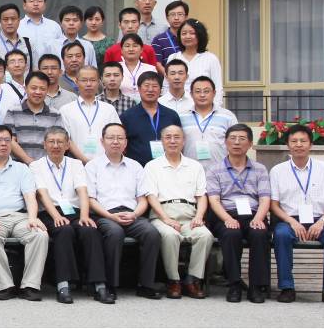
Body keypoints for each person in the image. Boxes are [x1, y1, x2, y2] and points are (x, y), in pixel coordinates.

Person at [269, 124, 324, 306]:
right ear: (288, 145)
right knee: (281, 235)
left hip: (319, 220)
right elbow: (274, 205)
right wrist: (291, 222)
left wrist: (322, 221)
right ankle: (287, 287)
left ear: (311, 144)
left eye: (303, 141)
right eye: (294, 141)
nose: (298, 145)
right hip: (288, 220)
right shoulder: (277, 170)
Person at [0, 124, 49, 300]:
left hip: (20, 217)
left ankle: (30, 286)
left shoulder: (22, 169)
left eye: (7, 140)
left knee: (39, 234)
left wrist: (33, 218)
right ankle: (5, 285)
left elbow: (30, 198)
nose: (4, 144)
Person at [85, 122, 163, 300]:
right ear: (102, 141)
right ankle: (110, 285)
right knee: (115, 233)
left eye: (120, 138)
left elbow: (142, 199)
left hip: (131, 214)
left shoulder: (135, 166)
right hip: (104, 214)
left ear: (126, 142)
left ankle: (146, 284)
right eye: (111, 138)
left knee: (152, 233)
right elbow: (90, 200)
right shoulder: (92, 166)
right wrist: (110, 216)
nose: (115, 141)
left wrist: (135, 214)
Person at [31, 127, 108, 304]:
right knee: (63, 230)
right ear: (44, 145)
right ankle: (63, 284)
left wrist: (85, 215)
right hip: (49, 212)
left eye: (60, 142)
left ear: (67, 145)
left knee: (90, 230)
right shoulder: (36, 166)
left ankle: (99, 285)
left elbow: (82, 191)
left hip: (74, 211)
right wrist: (56, 216)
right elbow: (42, 194)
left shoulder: (76, 164)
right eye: (51, 142)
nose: (56, 145)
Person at [144, 124, 214, 299]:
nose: (172, 141)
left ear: (184, 141)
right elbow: (151, 196)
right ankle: (173, 280)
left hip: (190, 215)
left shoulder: (195, 166)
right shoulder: (152, 166)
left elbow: (201, 196)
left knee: (205, 235)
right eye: (168, 137)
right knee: (170, 235)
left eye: (177, 137)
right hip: (162, 214)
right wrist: (166, 219)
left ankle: (192, 279)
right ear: (162, 141)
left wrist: (199, 216)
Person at [204, 124, 271, 303]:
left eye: (242, 139)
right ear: (225, 142)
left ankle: (256, 286)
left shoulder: (260, 169)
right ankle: (234, 284)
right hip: (226, 214)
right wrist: (227, 218)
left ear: (250, 144)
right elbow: (214, 200)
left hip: (253, 214)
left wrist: (259, 218)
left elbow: (265, 198)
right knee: (231, 234)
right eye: (232, 138)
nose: (237, 142)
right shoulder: (214, 169)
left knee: (259, 233)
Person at [60, 66, 120, 162]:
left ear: (99, 82)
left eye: (92, 80)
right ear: (76, 82)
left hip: (104, 163)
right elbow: (66, 139)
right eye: (84, 80)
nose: (88, 84)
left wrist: (103, 161)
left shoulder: (109, 109)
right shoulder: (66, 110)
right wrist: (85, 161)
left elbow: (117, 135)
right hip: (76, 164)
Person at [121, 72, 182, 165]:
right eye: (146, 86)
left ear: (161, 90)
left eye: (154, 86)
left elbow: (180, 142)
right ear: (139, 89)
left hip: (168, 167)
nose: (150, 89)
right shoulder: (127, 116)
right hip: (138, 169)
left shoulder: (171, 115)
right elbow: (122, 145)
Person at [1, 72, 62, 164]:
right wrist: (30, 161)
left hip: (46, 167)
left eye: (42, 89)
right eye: (34, 88)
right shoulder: (13, 111)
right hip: (17, 166)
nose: (38, 92)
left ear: (47, 90)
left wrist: (41, 165)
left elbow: (57, 142)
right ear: (25, 88)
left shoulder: (55, 114)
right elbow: (9, 140)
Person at [181, 76, 237, 165]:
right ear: (191, 94)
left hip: (220, 170)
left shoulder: (228, 116)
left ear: (214, 93)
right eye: (198, 91)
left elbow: (235, 143)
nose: (202, 95)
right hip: (190, 170)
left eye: (206, 91)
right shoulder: (181, 117)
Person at [171, 19, 225, 108]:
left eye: (192, 33)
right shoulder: (173, 57)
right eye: (184, 33)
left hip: (203, 108)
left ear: (200, 35)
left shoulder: (211, 58)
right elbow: (166, 86)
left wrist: (214, 109)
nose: (187, 36)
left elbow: (218, 88)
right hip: (177, 108)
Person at [150, 0, 188, 65]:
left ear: (186, 17)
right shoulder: (158, 40)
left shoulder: (190, 38)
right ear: (167, 18)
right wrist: (170, 72)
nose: (176, 18)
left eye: (180, 14)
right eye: (172, 14)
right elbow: (157, 64)